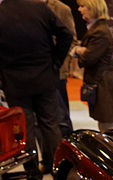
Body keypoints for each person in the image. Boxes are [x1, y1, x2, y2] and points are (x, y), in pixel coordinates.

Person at [0, 0, 72, 180]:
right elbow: (66, 34)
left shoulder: (1, 12)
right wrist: (55, 61)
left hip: (15, 82)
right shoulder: (39, 8)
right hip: (44, 76)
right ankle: (62, 173)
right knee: (50, 124)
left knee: (25, 129)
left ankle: (33, 176)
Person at [73, 0, 113, 131]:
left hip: (103, 84)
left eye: (82, 6)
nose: (79, 10)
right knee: (104, 123)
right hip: (101, 81)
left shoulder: (99, 31)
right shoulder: (97, 29)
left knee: (107, 126)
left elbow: (88, 58)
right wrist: (83, 50)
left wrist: (80, 51)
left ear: (92, 8)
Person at [45, 0, 78, 135]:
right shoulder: (27, 6)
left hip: (57, 69)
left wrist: (62, 63)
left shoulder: (61, 9)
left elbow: (71, 38)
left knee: (61, 113)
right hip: (37, 69)